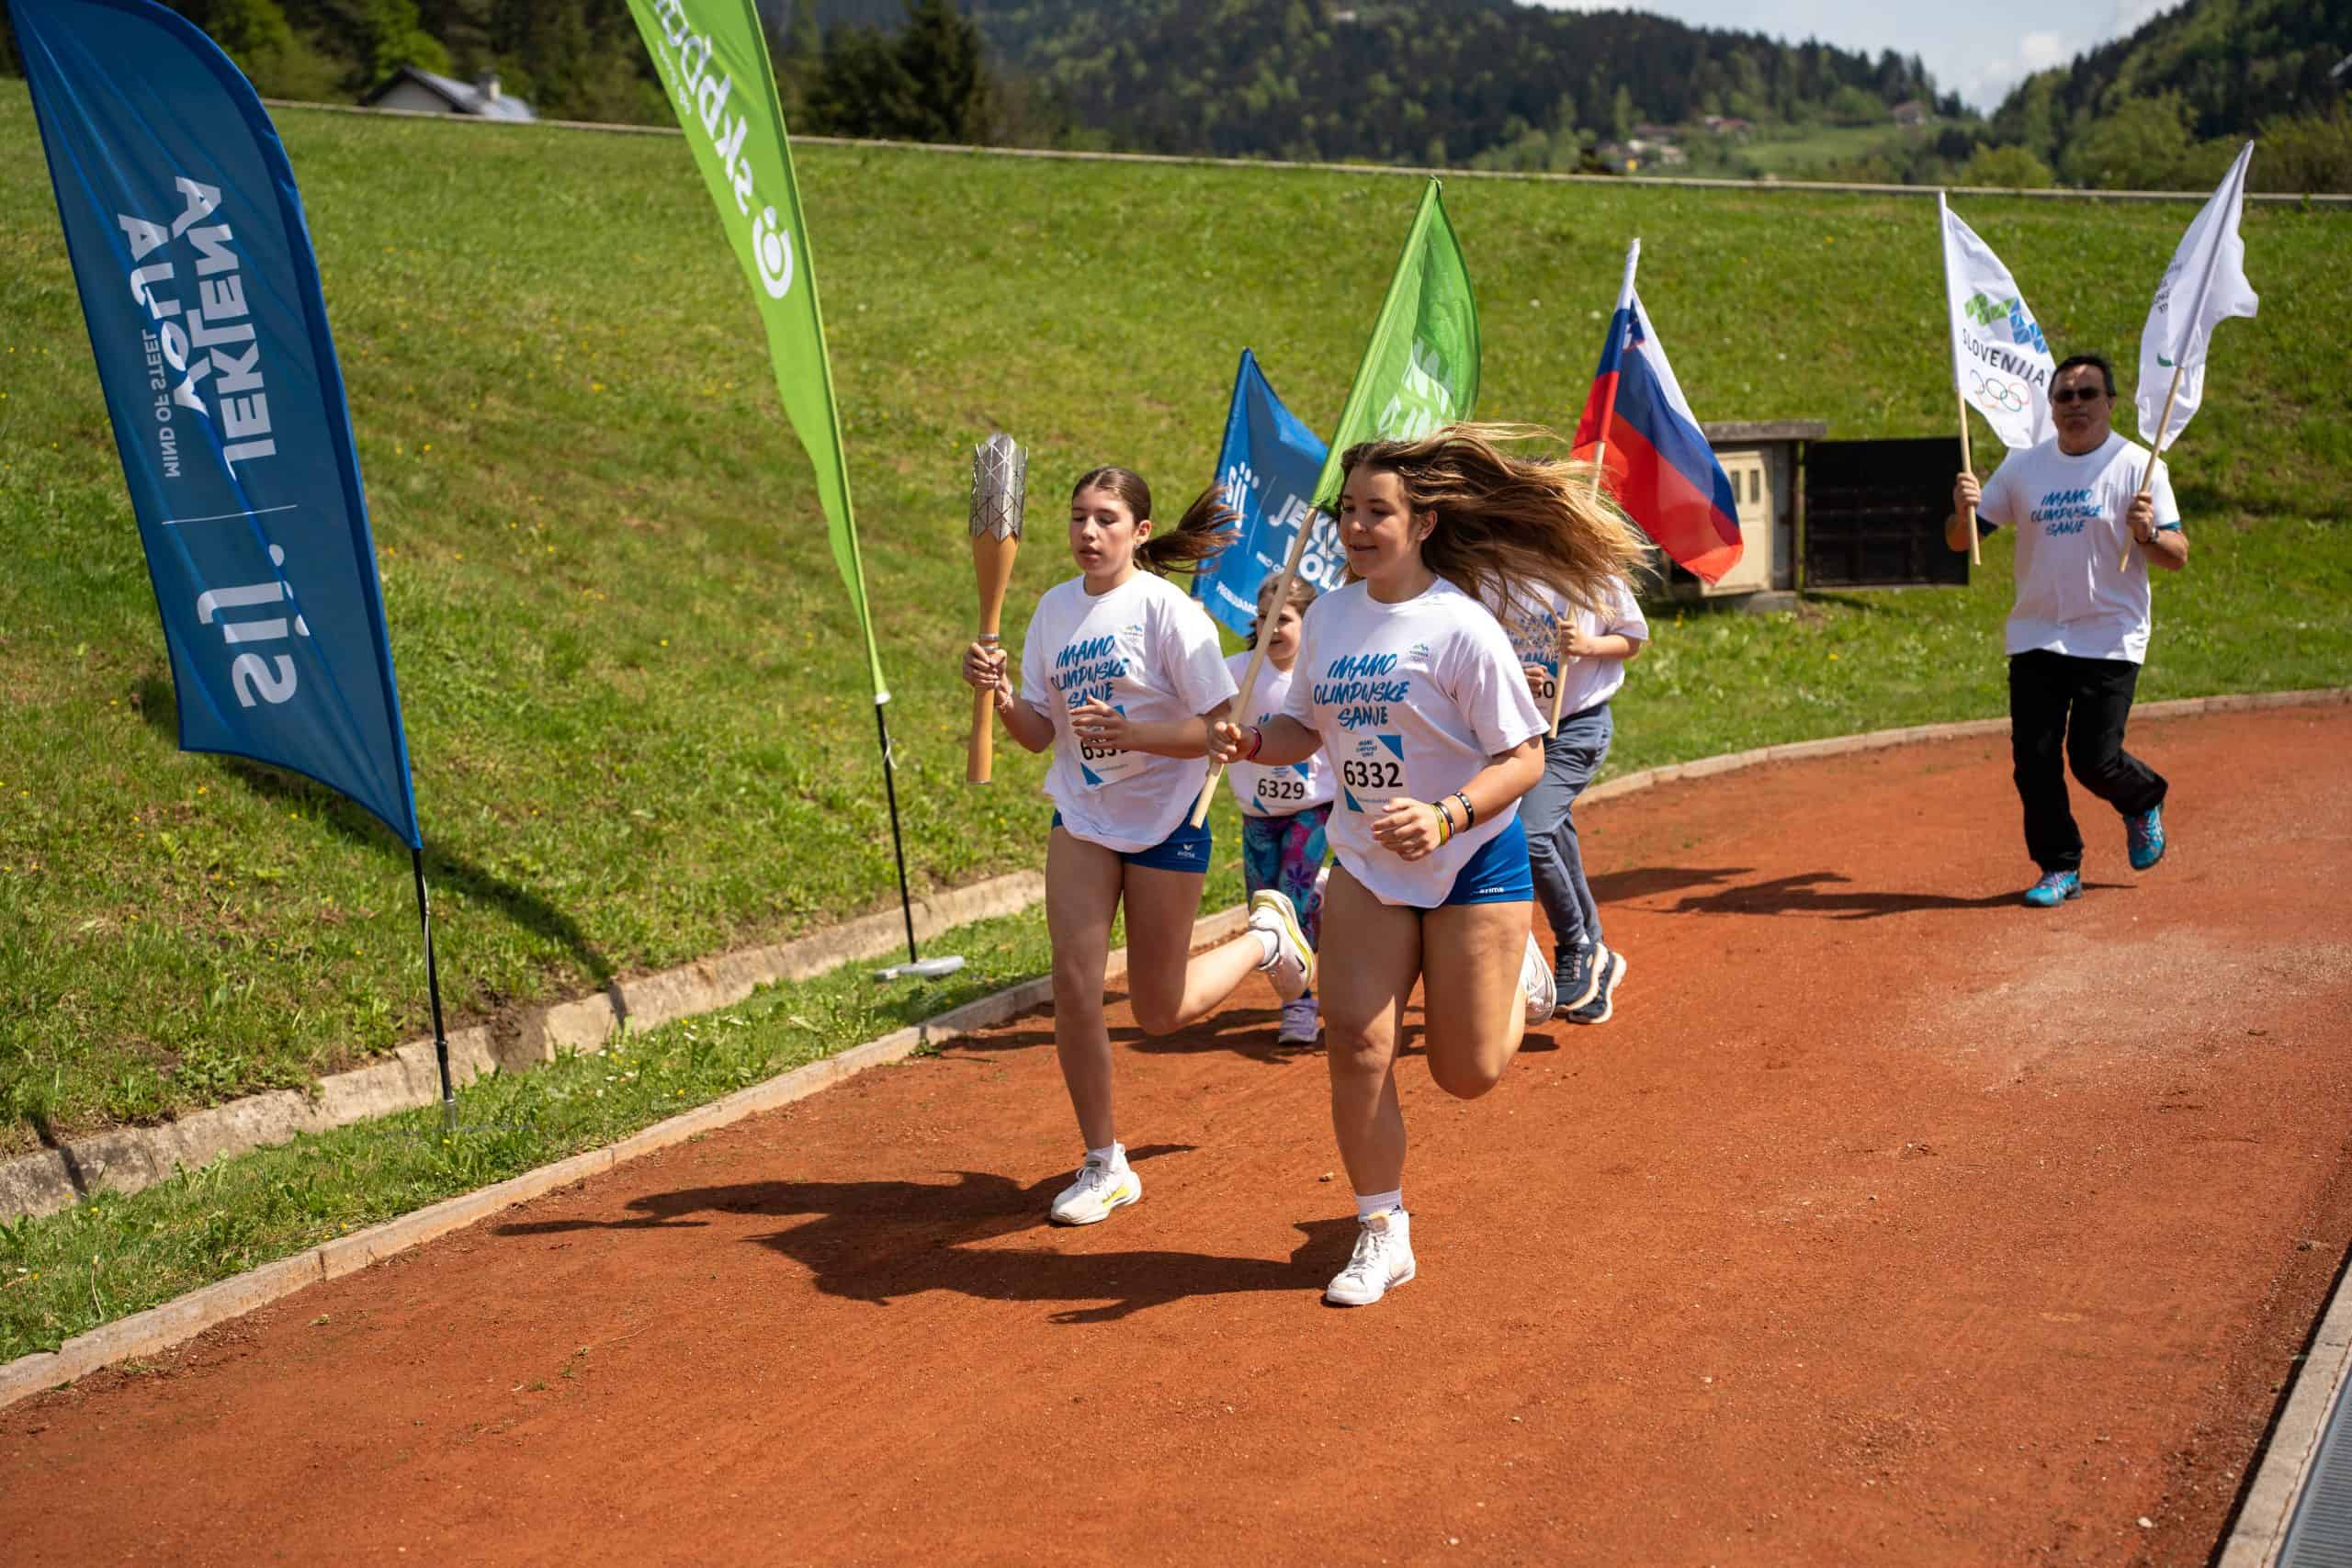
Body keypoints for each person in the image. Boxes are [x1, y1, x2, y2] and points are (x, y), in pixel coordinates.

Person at [1208, 424, 1651, 1306]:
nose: (1356, 527)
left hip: (1472, 859)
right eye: (1347, 511)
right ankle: (1381, 1229)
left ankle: (1520, 968)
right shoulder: (1328, 617)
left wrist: (1446, 815)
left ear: (1423, 522)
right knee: (1356, 1042)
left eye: (1378, 511)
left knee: (1467, 1072)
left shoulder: (1461, 626)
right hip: (1369, 862)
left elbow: (1524, 756)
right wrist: (1255, 741)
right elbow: (1306, 726)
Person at [962, 467, 1317, 1227]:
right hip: (1083, 817)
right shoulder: (1054, 610)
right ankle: (1103, 1161)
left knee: (1159, 1009)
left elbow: (1220, 729)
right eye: (1078, 517)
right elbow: (1039, 734)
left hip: (1168, 818)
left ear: (1140, 531)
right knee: (1074, 981)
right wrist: (1001, 694)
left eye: (1106, 518)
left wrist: (1135, 733)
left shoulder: (1167, 611)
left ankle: (1266, 937)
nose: (1088, 532)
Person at [1950, 352, 2188, 908]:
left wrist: (2149, 535)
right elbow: (1963, 541)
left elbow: (2177, 554)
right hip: (2037, 633)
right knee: (2033, 759)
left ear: (2109, 403)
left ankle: (2142, 797)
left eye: (2087, 394)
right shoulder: (2023, 467)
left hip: (2110, 634)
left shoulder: (2139, 465)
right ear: (2052, 407)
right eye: (2065, 395)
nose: (2075, 404)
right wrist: (1962, 511)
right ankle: (2060, 866)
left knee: (2092, 757)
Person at [1490, 573, 1647, 1025]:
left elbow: (1632, 640)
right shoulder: (1493, 572)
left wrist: (1587, 645)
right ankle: (1597, 960)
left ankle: (1576, 942)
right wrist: (1514, 678)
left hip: (1578, 727)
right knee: (1554, 832)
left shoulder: (1591, 572)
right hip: (1521, 731)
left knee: (1529, 834)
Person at [1222, 573, 1335, 1046]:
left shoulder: (1319, 675)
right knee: (1263, 909)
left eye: (1283, 620)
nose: (1270, 629)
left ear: (1308, 623)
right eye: (1262, 618)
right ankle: (1321, 902)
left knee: (1289, 902)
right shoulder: (1236, 673)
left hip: (1313, 810)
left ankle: (1299, 1004)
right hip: (1258, 814)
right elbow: (1198, 710)